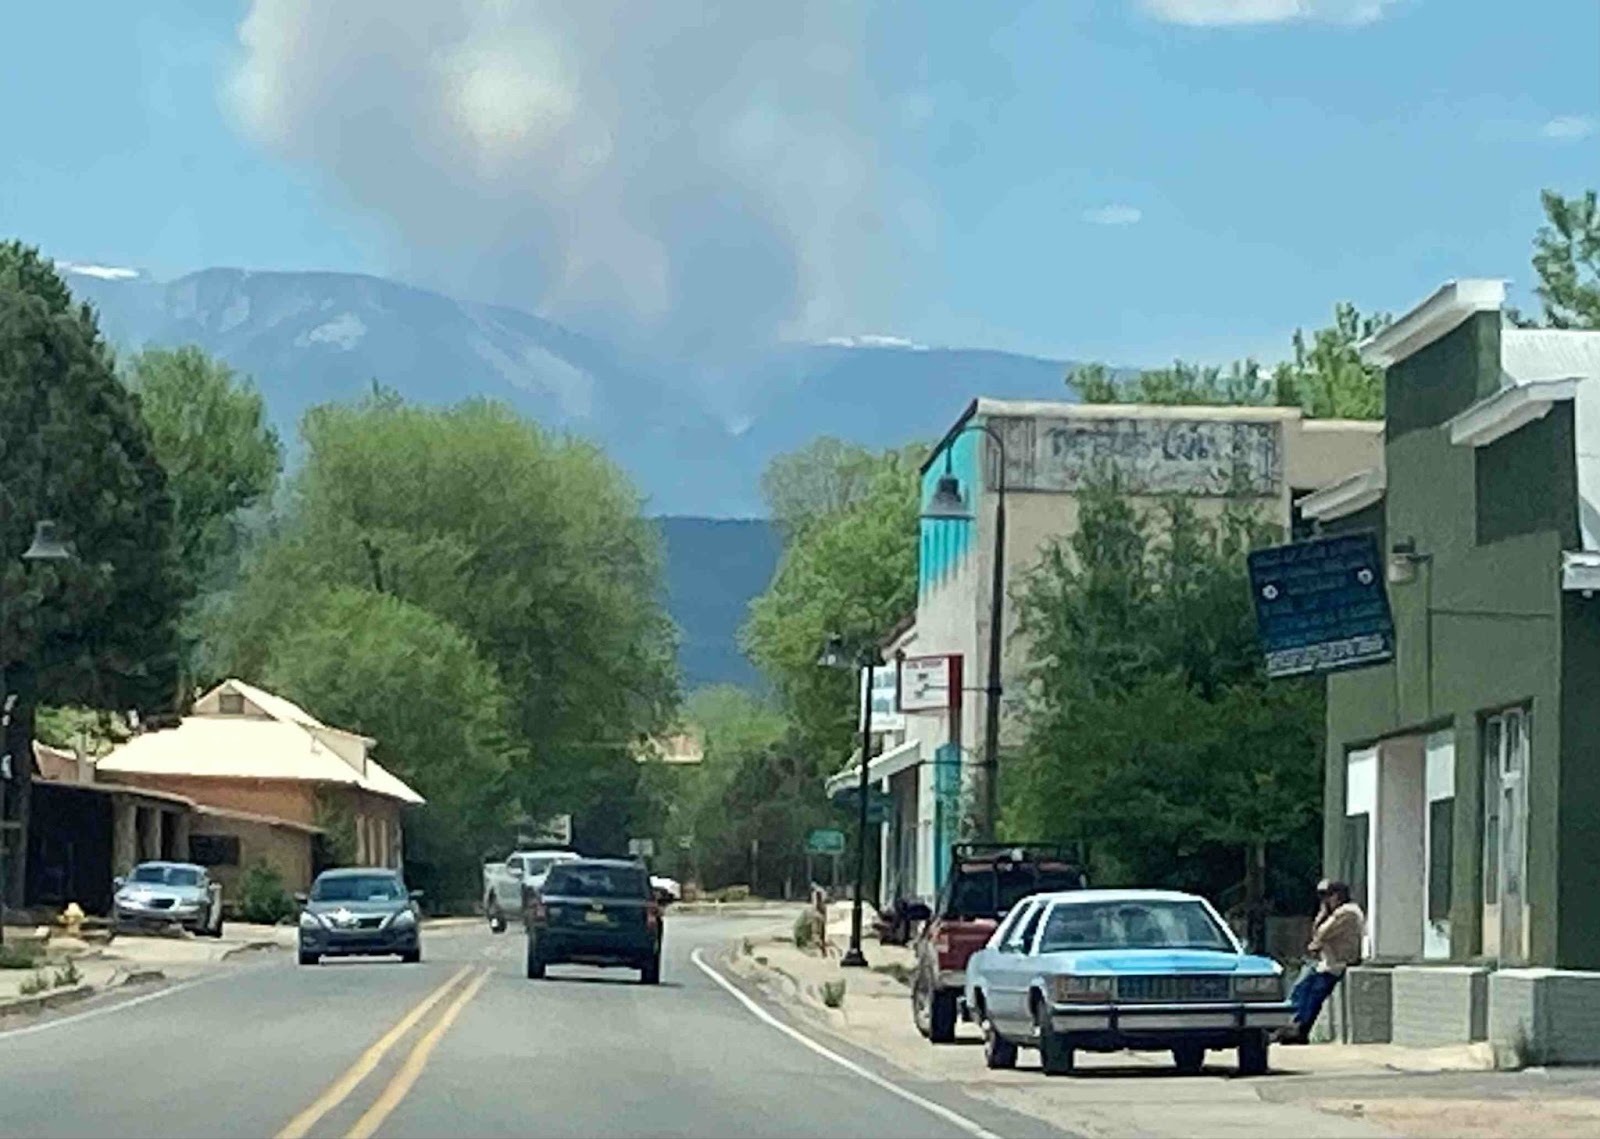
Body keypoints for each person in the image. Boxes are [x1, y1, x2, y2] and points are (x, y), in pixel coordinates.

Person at [1279, 879, 1364, 1044]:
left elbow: (1322, 933)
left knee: (1310, 990)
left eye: (1327, 896)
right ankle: (1293, 1025)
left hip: (1339, 963)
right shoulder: (1339, 913)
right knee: (1301, 987)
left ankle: (1300, 1028)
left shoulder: (1347, 912)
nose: (1324, 901)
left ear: (1338, 896)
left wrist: (1323, 913)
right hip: (1329, 963)